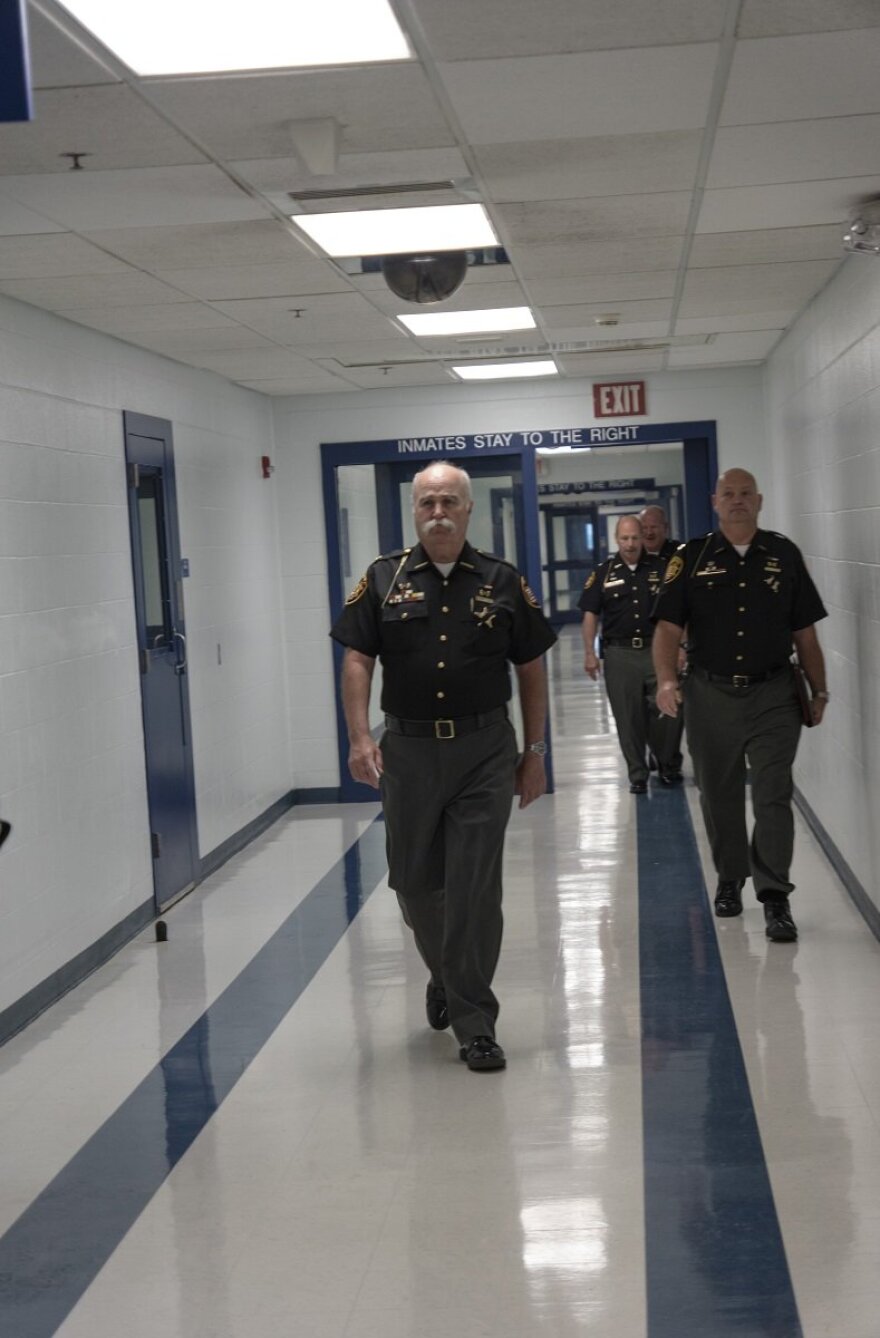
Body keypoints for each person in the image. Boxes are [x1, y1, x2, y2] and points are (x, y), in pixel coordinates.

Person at [330, 462, 557, 1071]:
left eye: (449, 502)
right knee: (412, 883)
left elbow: (530, 669)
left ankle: (475, 1021)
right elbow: (357, 659)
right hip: (407, 752)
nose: (438, 512)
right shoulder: (382, 579)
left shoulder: (504, 581)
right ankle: (447, 973)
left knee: (475, 889)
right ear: (414, 511)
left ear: (468, 510)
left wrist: (534, 754)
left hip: (484, 751)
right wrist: (358, 738)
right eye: (427, 502)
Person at [652, 468, 828, 943]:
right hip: (711, 693)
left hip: (774, 693)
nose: (737, 501)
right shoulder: (691, 557)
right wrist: (667, 679)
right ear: (715, 502)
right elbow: (667, 628)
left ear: (759, 500)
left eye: (745, 493)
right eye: (728, 494)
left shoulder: (784, 554)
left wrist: (820, 688)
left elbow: (805, 632)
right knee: (719, 790)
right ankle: (730, 876)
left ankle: (775, 896)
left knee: (772, 792)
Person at [579, 515, 681, 793]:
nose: (630, 543)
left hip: (657, 651)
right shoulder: (603, 572)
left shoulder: (663, 568)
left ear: (643, 537)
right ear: (616, 539)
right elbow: (590, 614)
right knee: (628, 718)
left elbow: (679, 611)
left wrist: (681, 648)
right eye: (625, 538)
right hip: (620, 655)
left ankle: (668, 763)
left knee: (669, 711)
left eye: (635, 537)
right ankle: (637, 774)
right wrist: (589, 652)